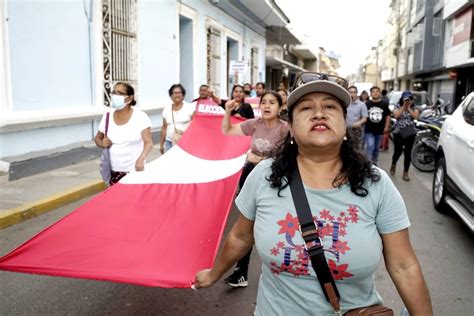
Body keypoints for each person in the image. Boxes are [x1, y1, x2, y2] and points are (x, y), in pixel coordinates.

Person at [194, 73, 432, 315]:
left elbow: (404, 266)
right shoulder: (264, 176)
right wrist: (213, 274)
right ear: (292, 128)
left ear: (344, 124)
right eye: (306, 108)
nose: (319, 113)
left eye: (330, 106)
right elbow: (240, 237)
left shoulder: (377, 184)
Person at [220, 91, 289, 288]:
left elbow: (290, 156)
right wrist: (227, 111)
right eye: (263, 102)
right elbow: (227, 130)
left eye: (272, 103)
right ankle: (241, 272)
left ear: (279, 107)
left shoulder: (285, 129)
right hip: (251, 176)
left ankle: (281, 270)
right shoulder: (255, 124)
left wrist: (258, 159)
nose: (267, 106)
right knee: (247, 224)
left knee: (272, 225)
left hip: (275, 177)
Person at [95, 82, 153, 185]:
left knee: (133, 200)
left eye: (120, 93)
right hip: (113, 173)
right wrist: (102, 143)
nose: (115, 95)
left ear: (129, 98)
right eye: (114, 92)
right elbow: (97, 139)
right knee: (115, 201)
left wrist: (142, 158)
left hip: (134, 171)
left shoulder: (140, 117)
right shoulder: (107, 116)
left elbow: (148, 142)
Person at [390, 91, 420, 181]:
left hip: (410, 133)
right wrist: (404, 106)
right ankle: (393, 164)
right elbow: (396, 115)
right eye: (406, 99)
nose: (408, 100)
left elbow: (416, 117)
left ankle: (405, 173)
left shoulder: (415, 108)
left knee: (408, 153)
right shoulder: (397, 106)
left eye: (410, 99)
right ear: (402, 99)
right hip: (398, 132)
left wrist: (409, 107)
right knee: (398, 152)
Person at [159, 84, 195, 154]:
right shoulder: (166, 109)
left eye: (179, 93)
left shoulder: (190, 108)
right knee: (170, 163)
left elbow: (195, 126)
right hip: (169, 142)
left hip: (185, 142)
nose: (177, 95)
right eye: (175, 93)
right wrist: (161, 145)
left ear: (183, 95)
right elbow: (164, 128)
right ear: (171, 95)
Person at [364, 86, 391, 165]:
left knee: (376, 148)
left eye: (377, 91)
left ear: (379, 93)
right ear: (371, 93)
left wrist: (386, 127)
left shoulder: (384, 104)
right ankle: (369, 163)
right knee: (370, 146)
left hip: (380, 130)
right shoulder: (367, 104)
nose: (375, 93)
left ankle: (375, 161)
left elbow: (388, 116)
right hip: (368, 129)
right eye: (373, 91)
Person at [346, 85, 368, 150]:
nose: (352, 94)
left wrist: (359, 123)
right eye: (350, 92)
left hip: (356, 130)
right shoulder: (344, 103)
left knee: (355, 148)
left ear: (357, 93)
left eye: (354, 92)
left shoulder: (362, 105)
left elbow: (365, 118)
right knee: (345, 147)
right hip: (345, 129)